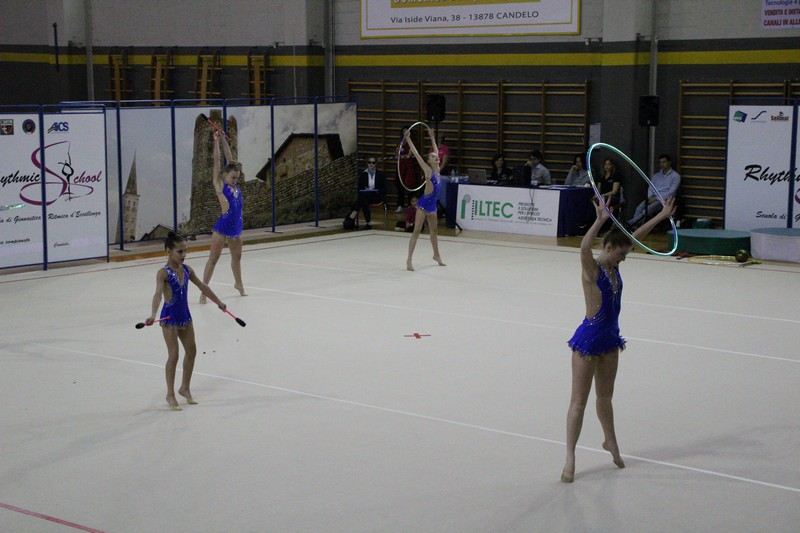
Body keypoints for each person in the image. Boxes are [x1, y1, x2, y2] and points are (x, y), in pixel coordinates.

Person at [561, 196, 676, 483]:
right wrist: (599, 220)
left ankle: (610, 441)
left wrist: (661, 216)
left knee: (605, 398)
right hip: (587, 343)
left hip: (611, 341)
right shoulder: (593, 270)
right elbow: (585, 247)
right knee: (579, 402)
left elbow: (634, 238)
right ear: (608, 247)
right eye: (620, 255)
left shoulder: (614, 266)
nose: (623, 259)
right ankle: (570, 457)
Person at [145, 232, 227, 410]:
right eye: (179, 252)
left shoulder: (188, 270)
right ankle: (170, 394)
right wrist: (152, 314)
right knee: (173, 356)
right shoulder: (163, 273)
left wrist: (218, 302)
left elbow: (202, 286)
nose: (183, 255)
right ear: (168, 251)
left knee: (192, 351)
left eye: (185, 251)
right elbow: (158, 294)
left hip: (185, 317)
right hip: (169, 319)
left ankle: (185, 388)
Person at [200, 130, 245, 303]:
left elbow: (231, 158)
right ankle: (204, 291)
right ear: (224, 175)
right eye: (233, 177)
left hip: (236, 227)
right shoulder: (219, 184)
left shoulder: (235, 185)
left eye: (237, 177)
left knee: (237, 258)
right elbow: (218, 162)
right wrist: (216, 141)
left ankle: (239, 284)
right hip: (223, 227)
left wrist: (225, 140)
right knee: (214, 259)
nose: (235, 179)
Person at [404, 127, 446, 271]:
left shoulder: (438, 169)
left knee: (434, 232)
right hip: (423, 205)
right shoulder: (428, 171)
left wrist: (432, 136)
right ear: (429, 161)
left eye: (437, 157)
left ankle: (436, 255)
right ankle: (409, 260)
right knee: (416, 231)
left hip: (432, 206)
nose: (437, 158)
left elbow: (436, 149)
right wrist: (408, 138)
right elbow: (415, 154)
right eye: (434, 157)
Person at [628, 154, 681, 227]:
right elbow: (651, 187)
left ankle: (631, 223)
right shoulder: (656, 175)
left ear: (669, 162)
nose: (662, 164)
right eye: (660, 162)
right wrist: (650, 197)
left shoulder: (675, 176)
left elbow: (671, 192)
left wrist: (656, 199)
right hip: (652, 197)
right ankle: (634, 226)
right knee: (639, 207)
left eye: (664, 162)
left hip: (665, 200)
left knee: (647, 210)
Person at [345, 157, 387, 230]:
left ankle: (352, 216)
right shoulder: (363, 174)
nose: (371, 164)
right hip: (366, 195)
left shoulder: (380, 175)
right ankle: (368, 222)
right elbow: (359, 188)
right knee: (364, 199)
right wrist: (366, 190)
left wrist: (376, 190)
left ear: (375, 164)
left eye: (373, 163)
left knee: (362, 199)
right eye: (369, 162)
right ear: (367, 164)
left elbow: (385, 188)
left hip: (376, 196)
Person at [396, 125, 419, 212]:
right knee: (400, 186)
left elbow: (409, 155)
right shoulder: (401, 142)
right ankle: (400, 205)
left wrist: (404, 156)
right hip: (400, 167)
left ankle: (411, 205)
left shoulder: (412, 143)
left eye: (407, 132)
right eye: (404, 132)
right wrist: (401, 155)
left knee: (410, 185)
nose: (405, 133)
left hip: (409, 167)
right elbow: (397, 154)